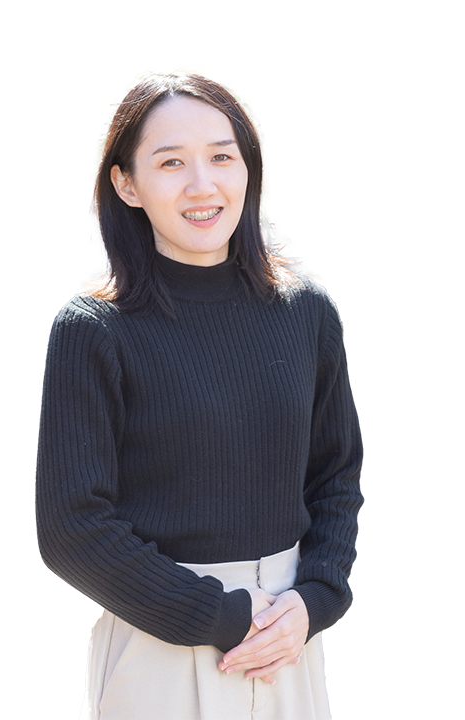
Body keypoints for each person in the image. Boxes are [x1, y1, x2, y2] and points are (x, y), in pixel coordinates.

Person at [36, 71, 364, 720]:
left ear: (249, 167)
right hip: (161, 643)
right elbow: (72, 526)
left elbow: (336, 478)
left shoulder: (306, 312)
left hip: (288, 638)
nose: (202, 185)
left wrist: (316, 599)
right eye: (170, 163)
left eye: (221, 157)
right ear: (127, 185)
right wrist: (221, 615)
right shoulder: (95, 328)